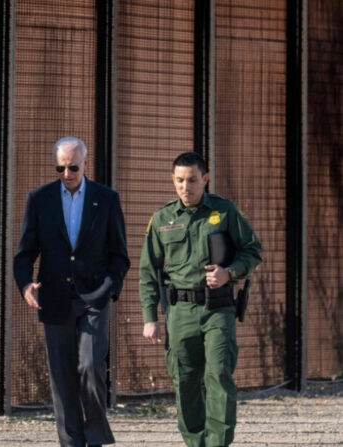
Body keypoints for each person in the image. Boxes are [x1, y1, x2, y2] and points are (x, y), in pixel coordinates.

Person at [139, 152, 262, 447]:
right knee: (185, 381)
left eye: (192, 180)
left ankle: (218, 444)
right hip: (179, 312)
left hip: (217, 308)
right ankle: (196, 443)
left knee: (218, 373)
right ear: (173, 181)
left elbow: (252, 250)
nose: (186, 187)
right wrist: (149, 318)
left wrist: (229, 273)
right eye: (179, 180)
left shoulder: (224, 211)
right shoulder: (161, 219)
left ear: (205, 179)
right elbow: (149, 271)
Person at [14, 136, 129, 447]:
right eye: (60, 167)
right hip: (54, 298)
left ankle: (94, 437)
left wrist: (111, 287)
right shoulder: (40, 199)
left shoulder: (106, 199)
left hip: (94, 297)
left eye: (73, 167)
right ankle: (71, 443)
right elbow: (25, 252)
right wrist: (25, 284)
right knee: (63, 379)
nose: (66, 173)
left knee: (91, 366)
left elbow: (120, 254)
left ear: (85, 164)